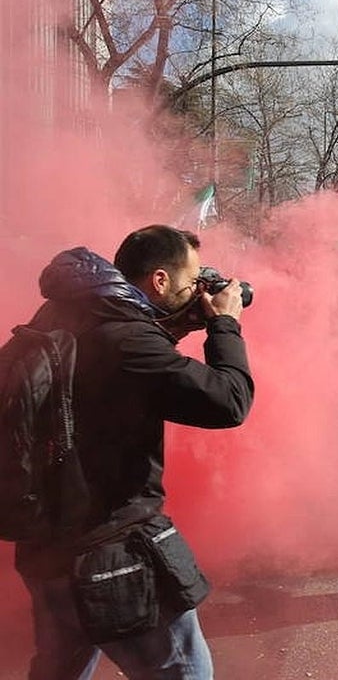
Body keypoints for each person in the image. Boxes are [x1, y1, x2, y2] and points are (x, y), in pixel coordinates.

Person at [13, 225, 254, 680]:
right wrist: (225, 323)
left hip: (48, 550)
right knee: (184, 672)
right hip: (113, 551)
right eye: (192, 280)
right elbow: (229, 401)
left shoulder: (61, 317)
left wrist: (176, 322)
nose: (198, 289)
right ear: (159, 281)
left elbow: (120, 380)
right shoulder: (126, 342)